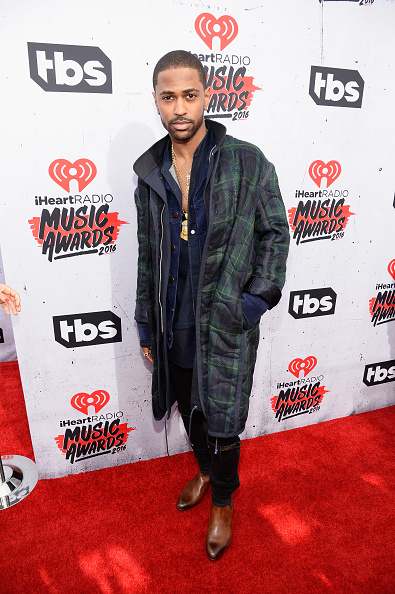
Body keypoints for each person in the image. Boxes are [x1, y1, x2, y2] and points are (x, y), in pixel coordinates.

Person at [134, 50, 289, 560]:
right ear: (156, 101)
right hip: (171, 319)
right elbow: (147, 256)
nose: (179, 107)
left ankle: (223, 500)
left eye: (189, 95)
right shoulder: (151, 171)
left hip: (225, 318)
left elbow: (274, 233)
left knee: (224, 414)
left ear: (207, 96)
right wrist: (145, 325)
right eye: (168, 96)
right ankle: (203, 470)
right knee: (188, 405)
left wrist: (254, 301)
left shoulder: (246, 160)